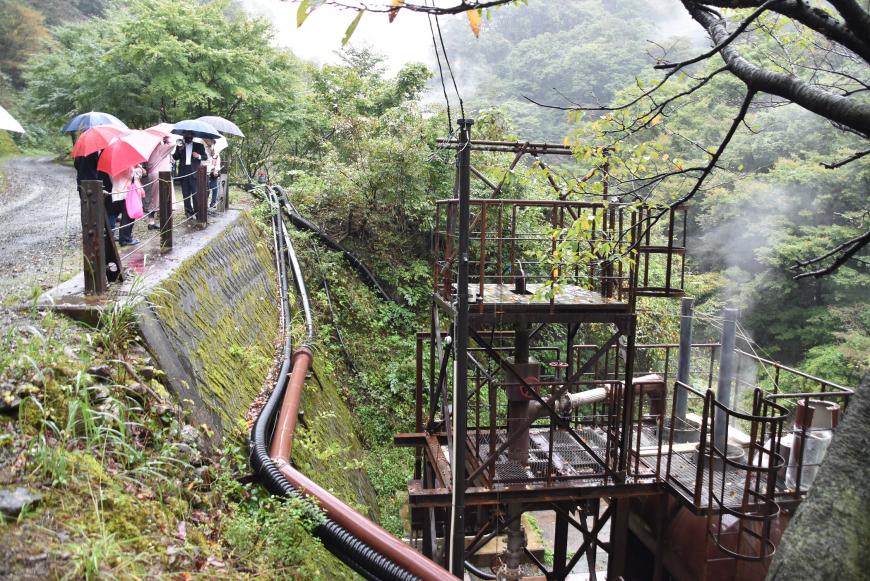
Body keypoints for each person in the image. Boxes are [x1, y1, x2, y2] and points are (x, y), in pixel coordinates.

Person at [144, 135, 176, 229]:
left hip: (151, 174)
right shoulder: (159, 149)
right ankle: (165, 222)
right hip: (161, 175)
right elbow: (172, 144)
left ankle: (151, 221)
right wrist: (166, 138)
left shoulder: (148, 150)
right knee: (164, 198)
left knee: (153, 199)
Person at [173, 130, 206, 217]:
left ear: (193, 136)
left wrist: (198, 156)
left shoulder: (199, 145)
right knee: (185, 194)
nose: (188, 137)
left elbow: (205, 157)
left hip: (194, 172)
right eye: (186, 135)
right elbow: (175, 157)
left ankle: (197, 212)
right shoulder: (180, 145)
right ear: (183, 136)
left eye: (190, 135)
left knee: (195, 193)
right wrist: (179, 150)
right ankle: (188, 212)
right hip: (183, 171)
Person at [204, 138, 222, 209]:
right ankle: (204, 203)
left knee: (215, 188)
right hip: (205, 172)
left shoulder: (216, 152)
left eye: (212, 143)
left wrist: (216, 170)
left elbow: (218, 163)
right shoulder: (204, 150)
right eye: (209, 142)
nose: (210, 144)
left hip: (213, 173)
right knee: (206, 188)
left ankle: (213, 202)